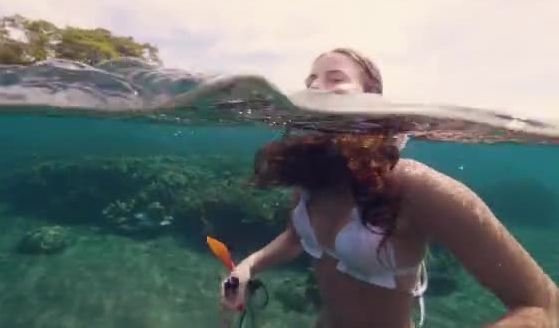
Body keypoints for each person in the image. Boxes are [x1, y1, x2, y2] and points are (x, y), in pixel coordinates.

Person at [219, 48, 559, 327]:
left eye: (334, 79)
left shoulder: (415, 186)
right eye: (310, 81)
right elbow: (295, 238)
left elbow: (543, 305)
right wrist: (248, 266)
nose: (314, 88)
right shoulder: (314, 178)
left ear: (372, 100)